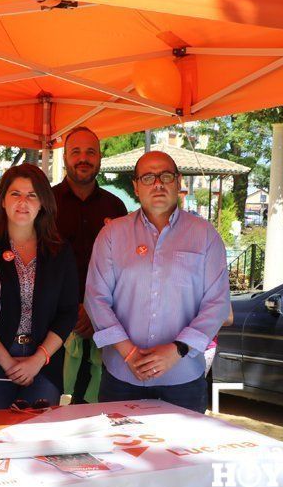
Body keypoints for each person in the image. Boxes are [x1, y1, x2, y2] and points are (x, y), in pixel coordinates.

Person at [85, 151, 231, 413]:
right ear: (136, 187)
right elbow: (96, 300)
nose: (158, 184)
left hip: (183, 377)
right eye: (148, 177)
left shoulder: (205, 235)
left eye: (166, 176)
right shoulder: (112, 235)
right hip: (122, 375)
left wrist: (177, 350)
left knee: (181, 454)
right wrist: (129, 353)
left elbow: (217, 304)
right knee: (117, 452)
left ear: (178, 182)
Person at [0, 164, 78, 409]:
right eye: (15, 194)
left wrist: (38, 359)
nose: (23, 202)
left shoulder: (59, 250)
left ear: (43, 202)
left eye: (32, 195)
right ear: (2, 200)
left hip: (44, 361)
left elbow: (68, 312)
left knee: (38, 436)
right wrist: (7, 362)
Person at [53, 126, 128, 403]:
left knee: (96, 408)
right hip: (55, 328)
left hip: (104, 327)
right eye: (76, 152)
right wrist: (74, 309)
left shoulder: (116, 208)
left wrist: (94, 312)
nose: (83, 159)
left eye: (90, 152)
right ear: (64, 158)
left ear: (99, 158)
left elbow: (123, 268)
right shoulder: (46, 203)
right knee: (55, 407)